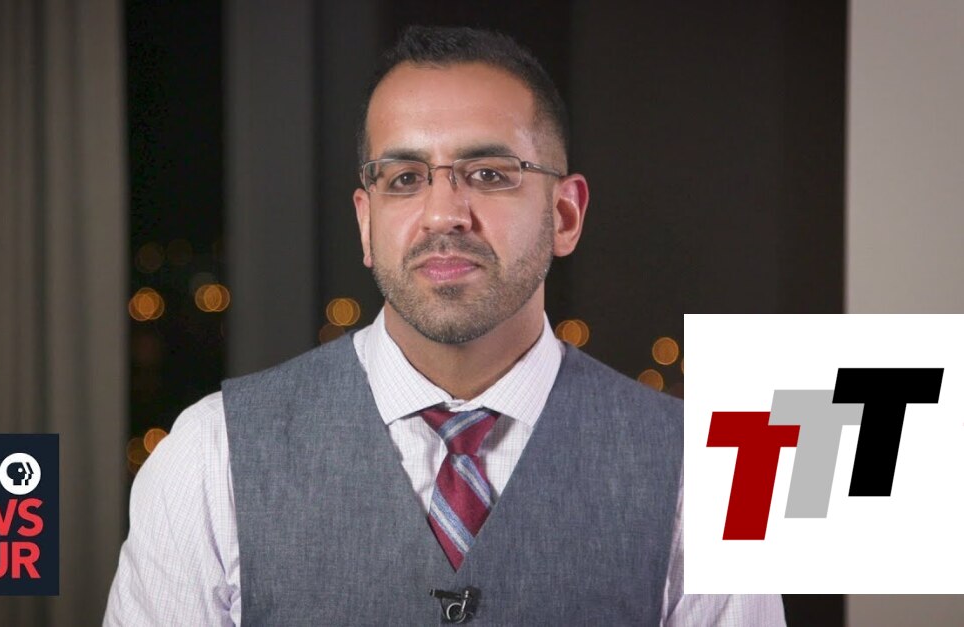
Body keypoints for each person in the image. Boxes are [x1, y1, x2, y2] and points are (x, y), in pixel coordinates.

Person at [104, 25, 785, 625]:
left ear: (565, 215)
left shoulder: (707, 477)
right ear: (366, 222)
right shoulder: (209, 455)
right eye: (404, 178)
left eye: (488, 173)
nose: (442, 214)